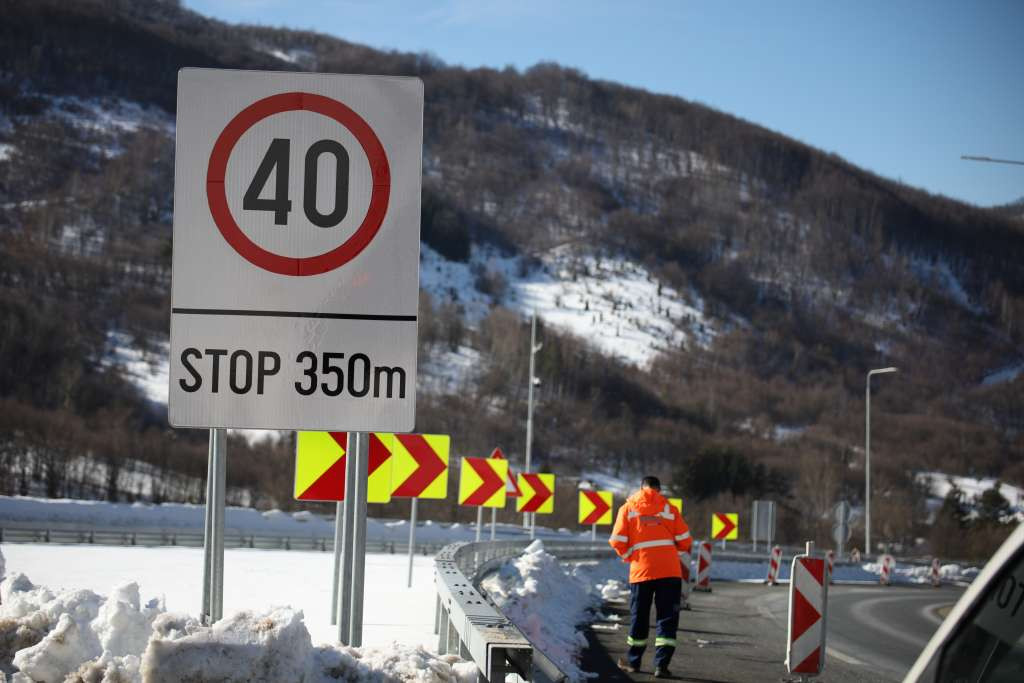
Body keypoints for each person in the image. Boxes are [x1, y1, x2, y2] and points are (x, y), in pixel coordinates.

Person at [609, 476, 692, 678]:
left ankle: (634, 661)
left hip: (641, 572)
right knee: (667, 617)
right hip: (670, 572)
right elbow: (685, 540)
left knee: (640, 616)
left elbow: (617, 541)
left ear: (641, 488)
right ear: (659, 490)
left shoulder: (627, 509)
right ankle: (661, 665)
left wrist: (631, 557)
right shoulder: (670, 509)